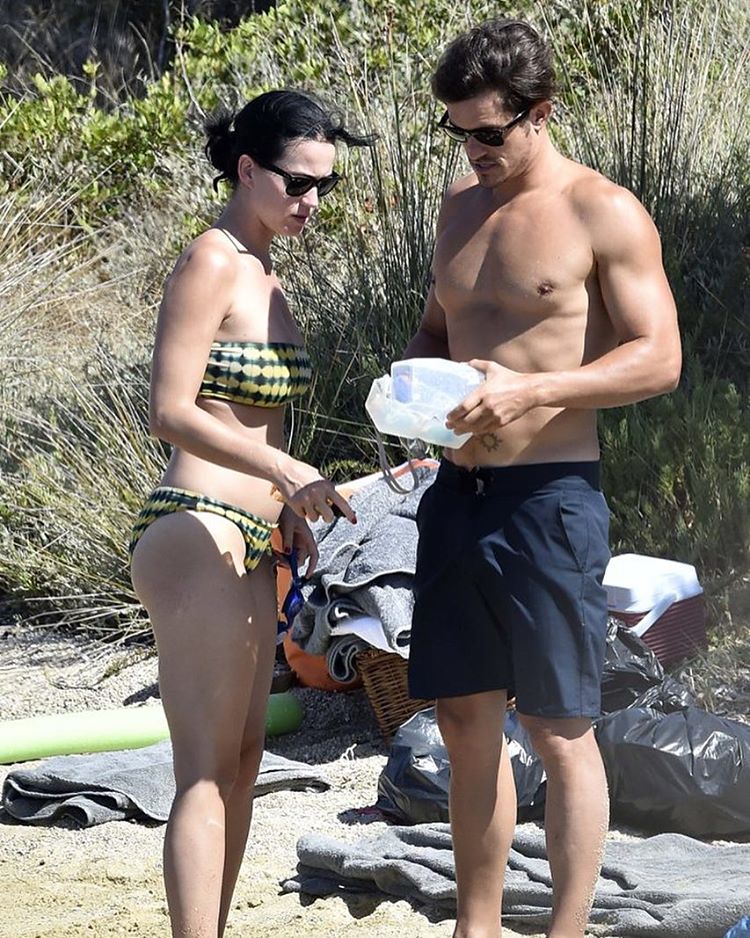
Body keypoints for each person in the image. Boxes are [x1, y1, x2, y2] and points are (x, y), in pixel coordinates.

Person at [404, 19, 681, 938]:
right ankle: (476, 927)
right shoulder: (458, 208)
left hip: (549, 497)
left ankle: (566, 930)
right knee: (463, 723)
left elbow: (660, 357)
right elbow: (437, 330)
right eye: (457, 133)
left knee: (560, 729)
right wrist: (411, 399)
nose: (473, 151)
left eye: (489, 132)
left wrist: (534, 391)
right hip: (457, 498)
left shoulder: (602, 209)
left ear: (540, 112)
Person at [129, 89, 372, 938]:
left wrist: (286, 506)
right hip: (195, 524)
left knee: (241, 761)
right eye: (297, 182)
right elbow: (170, 409)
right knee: (203, 769)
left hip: (254, 535)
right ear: (245, 169)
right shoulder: (212, 260)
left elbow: (258, 417)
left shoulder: (266, 274)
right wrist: (284, 469)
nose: (311, 201)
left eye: (324, 186)